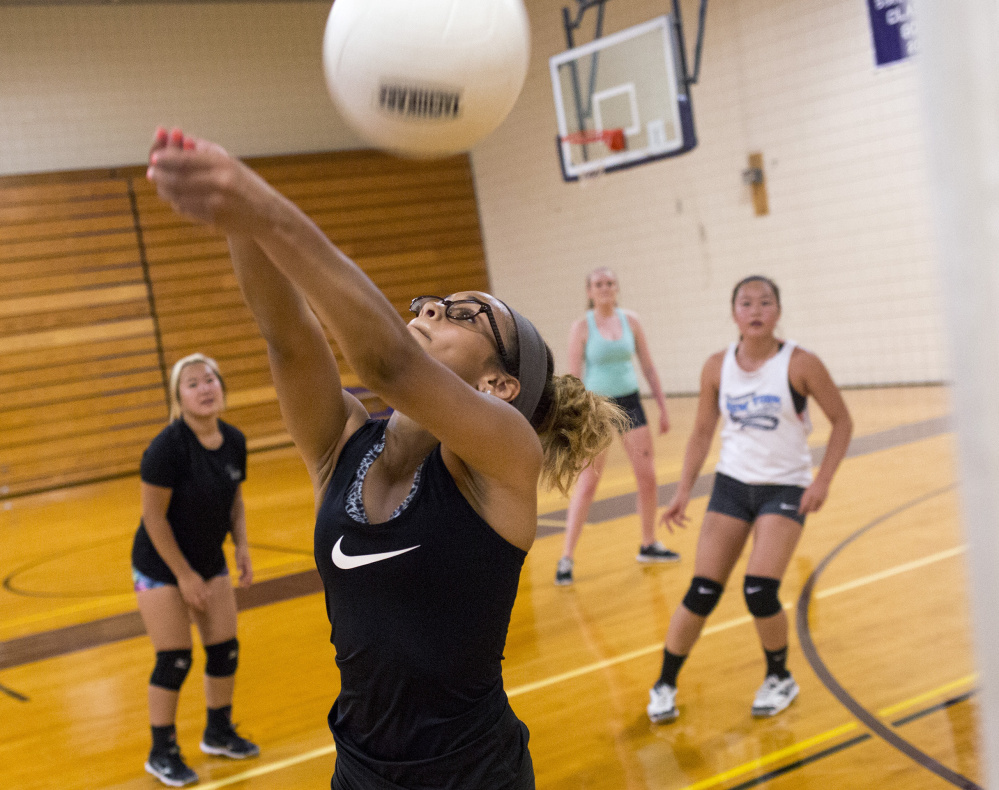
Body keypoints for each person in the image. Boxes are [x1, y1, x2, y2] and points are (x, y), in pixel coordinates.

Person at [146, 127, 625, 790]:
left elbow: (388, 363)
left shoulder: (501, 458)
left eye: (461, 314)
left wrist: (265, 208)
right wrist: (235, 213)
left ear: (497, 385)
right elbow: (287, 338)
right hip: (361, 771)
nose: (430, 307)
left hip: (474, 776)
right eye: (432, 301)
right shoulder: (343, 440)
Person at [646, 275, 853, 723]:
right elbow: (702, 431)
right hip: (732, 486)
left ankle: (779, 677)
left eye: (764, 302)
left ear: (777, 311)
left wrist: (823, 480)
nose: (755, 310)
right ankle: (664, 684)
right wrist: (682, 492)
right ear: (734, 312)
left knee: (759, 589)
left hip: (785, 487)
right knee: (703, 590)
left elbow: (842, 421)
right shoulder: (717, 366)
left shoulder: (800, 363)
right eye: (746, 303)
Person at [131, 352, 259, 787]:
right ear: (178, 397)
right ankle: (160, 751)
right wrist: (184, 576)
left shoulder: (235, 439)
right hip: (160, 564)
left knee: (225, 649)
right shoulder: (167, 447)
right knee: (175, 658)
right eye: (192, 383)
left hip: (209, 559)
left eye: (210, 380)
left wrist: (241, 547)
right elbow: (154, 519)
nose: (205, 388)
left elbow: (234, 502)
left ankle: (218, 732)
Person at [554, 267, 678, 586]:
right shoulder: (581, 327)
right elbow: (574, 377)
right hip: (597, 407)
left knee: (647, 476)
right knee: (588, 483)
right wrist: (576, 418)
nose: (605, 288)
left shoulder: (631, 321)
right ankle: (566, 557)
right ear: (589, 291)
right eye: (599, 284)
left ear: (617, 287)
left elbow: (647, 365)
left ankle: (648, 544)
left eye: (610, 283)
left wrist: (663, 407)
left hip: (631, 403)